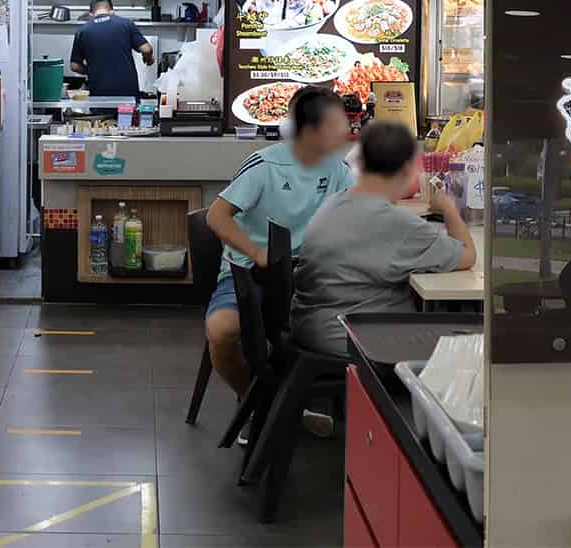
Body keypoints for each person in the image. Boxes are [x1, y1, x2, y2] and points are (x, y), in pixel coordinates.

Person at [204, 86, 353, 400]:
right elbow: (217, 217)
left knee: (355, 331)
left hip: (308, 277)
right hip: (248, 273)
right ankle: (255, 402)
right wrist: (257, 252)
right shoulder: (263, 165)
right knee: (222, 332)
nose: (348, 130)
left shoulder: (340, 171)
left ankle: (308, 402)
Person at [291, 121, 476, 357]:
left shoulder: (335, 201)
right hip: (355, 335)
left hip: (314, 324)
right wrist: (449, 208)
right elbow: (468, 255)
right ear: (408, 169)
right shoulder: (395, 223)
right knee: (466, 345)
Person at [69, 0, 154, 97]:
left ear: (91, 14)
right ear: (112, 11)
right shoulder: (126, 24)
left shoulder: (82, 31)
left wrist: (92, 71)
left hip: (99, 93)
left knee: (102, 113)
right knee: (126, 113)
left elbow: (74, 66)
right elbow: (147, 49)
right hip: (127, 92)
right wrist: (148, 59)